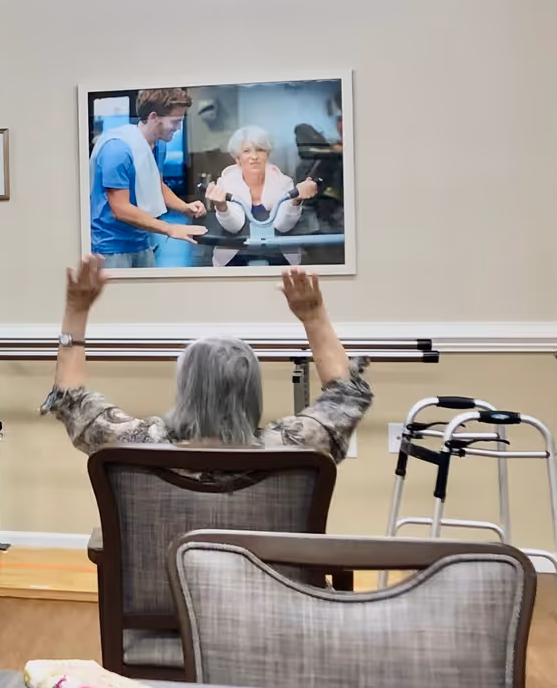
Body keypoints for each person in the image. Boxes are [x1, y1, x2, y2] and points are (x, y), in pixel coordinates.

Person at [43, 257, 370, 459]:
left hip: (162, 573)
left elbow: (71, 398)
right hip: (263, 575)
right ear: (251, 390)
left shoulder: (135, 444)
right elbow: (345, 395)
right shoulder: (294, 447)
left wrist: (76, 310)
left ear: (185, 387)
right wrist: (314, 318)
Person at [87, 88, 208, 269]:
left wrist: (185, 207)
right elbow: (120, 208)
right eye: (175, 121)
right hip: (111, 246)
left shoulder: (158, 145)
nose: (178, 128)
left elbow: (156, 185)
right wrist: (170, 228)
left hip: (142, 241)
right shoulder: (117, 150)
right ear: (153, 117)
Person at [205, 125, 318, 268]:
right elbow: (234, 227)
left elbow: (283, 226)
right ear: (238, 158)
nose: (254, 156)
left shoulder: (284, 183)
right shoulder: (226, 183)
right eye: (246, 151)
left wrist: (296, 200)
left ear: (267, 155)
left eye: (260, 150)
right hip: (235, 257)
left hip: (279, 256)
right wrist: (221, 206)